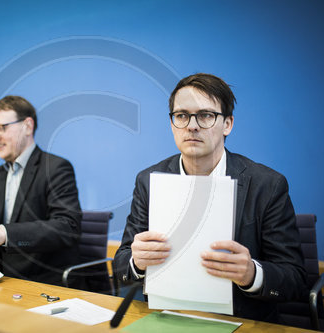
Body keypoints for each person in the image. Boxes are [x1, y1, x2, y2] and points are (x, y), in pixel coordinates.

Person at [114, 73, 306, 323]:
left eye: (205, 115)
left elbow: (295, 279)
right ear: (172, 124)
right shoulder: (148, 180)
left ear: (228, 124)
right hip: (166, 318)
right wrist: (136, 262)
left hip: (241, 320)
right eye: (181, 116)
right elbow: (121, 265)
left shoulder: (267, 185)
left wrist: (251, 273)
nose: (192, 125)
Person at [0, 95, 82, 286]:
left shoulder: (56, 168)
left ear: (27, 126)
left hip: (44, 280)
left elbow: (67, 228)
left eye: (1, 128)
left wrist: (3, 233)